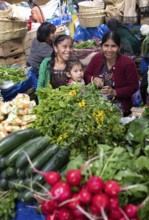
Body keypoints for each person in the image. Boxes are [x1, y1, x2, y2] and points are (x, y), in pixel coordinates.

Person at [84, 31, 139, 116]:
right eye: (106, 46)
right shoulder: (97, 58)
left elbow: (133, 86)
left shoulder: (128, 63)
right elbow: (86, 75)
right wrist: (93, 79)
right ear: (101, 46)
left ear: (119, 47)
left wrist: (115, 92)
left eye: (113, 46)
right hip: (96, 107)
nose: (109, 50)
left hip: (120, 108)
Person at [27, 22, 56, 89]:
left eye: (54, 32)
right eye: (52, 33)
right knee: (41, 87)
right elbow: (55, 57)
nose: (55, 34)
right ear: (45, 34)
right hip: (36, 68)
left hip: (30, 63)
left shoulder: (37, 39)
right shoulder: (44, 48)